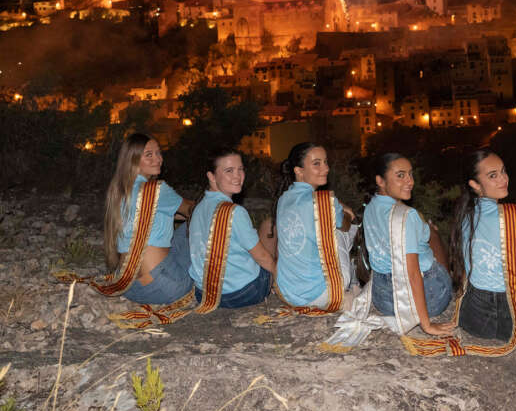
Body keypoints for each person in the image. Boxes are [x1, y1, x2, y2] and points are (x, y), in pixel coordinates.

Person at [448, 149, 516, 340]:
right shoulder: (514, 215)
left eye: (503, 171)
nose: (503, 179)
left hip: (476, 321)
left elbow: (467, 267)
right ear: (475, 185)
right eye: (493, 175)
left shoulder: (465, 216)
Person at [363, 153, 453, 335]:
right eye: (400, 175)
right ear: (380, 181)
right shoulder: (407, 216)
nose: (410, 181)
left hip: (383, 298)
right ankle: (448, 279)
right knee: (432, 233)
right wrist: (426, 325)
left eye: (410, 174)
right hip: (429, 299)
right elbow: (412, 273)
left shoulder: (370, 207)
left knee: (423, 230)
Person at [102, 133, 195, 305]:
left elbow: (161, 214)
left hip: (129, 288)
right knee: (206, 221)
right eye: (149, 155)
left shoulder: (119, 191)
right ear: (133, 160)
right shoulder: (155, 190)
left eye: (158, 153)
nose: (158, 159)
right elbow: (193, 210)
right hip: (165, 287)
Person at [188, 148, 277, 309]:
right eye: (229, 171)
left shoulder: (198, 208)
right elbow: (263, 257)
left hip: (204, 294)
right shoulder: (234, 212)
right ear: (211, 176)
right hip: (242, 294)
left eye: (240, 169)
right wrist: (279, 277)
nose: (237, 176)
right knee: (270, 229)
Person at [274, 142, 357, 309]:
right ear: (299, 171)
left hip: (287, 293)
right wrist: (347, 213)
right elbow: (346, 226)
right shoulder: (325, 202)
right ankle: (352, 284)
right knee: (342, 230)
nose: (325, 168)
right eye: (316, 163)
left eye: (325, 162)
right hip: (321, 295)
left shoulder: (283, 199)